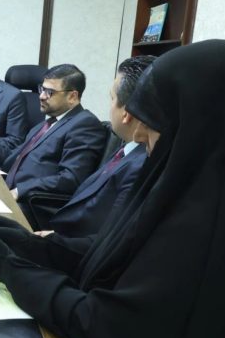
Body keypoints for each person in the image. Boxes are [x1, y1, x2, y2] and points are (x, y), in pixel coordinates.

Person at [0, 40, 225, 338]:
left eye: (154, 122)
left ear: (201, 126)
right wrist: (30, 246)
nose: (139, 133)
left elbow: (109, 326)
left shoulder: (213, 226)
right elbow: (116, 252)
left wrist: (13, 271)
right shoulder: (185, 183)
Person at [42, 55, 154, 237]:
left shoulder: (140, 165)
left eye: (112, 98)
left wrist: (47, 241)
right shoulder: (126, 149)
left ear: (126, 113)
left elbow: (105, 240)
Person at [0, 64, 106, 205]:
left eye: (50, 92)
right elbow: (14, 155)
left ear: (72, 96)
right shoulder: (47, 123)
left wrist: (20, 191)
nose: (41, 96)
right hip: (7, 189)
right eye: (42, 89)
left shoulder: (85, 124)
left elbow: (71, 178)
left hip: (32, 203)